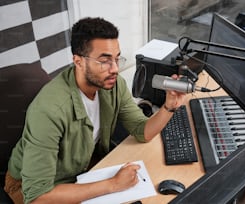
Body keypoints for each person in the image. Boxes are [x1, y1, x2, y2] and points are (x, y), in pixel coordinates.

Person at [4, 17, 186, 203]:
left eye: (117, 58)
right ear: (78, 61)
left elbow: (142, 131)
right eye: (104, 60)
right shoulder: (49, 111)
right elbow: (37, 196)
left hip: (79, 168)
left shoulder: (113, 86)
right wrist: (112, 184)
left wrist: (169, 106)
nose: (115, 68)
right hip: (29, 186)